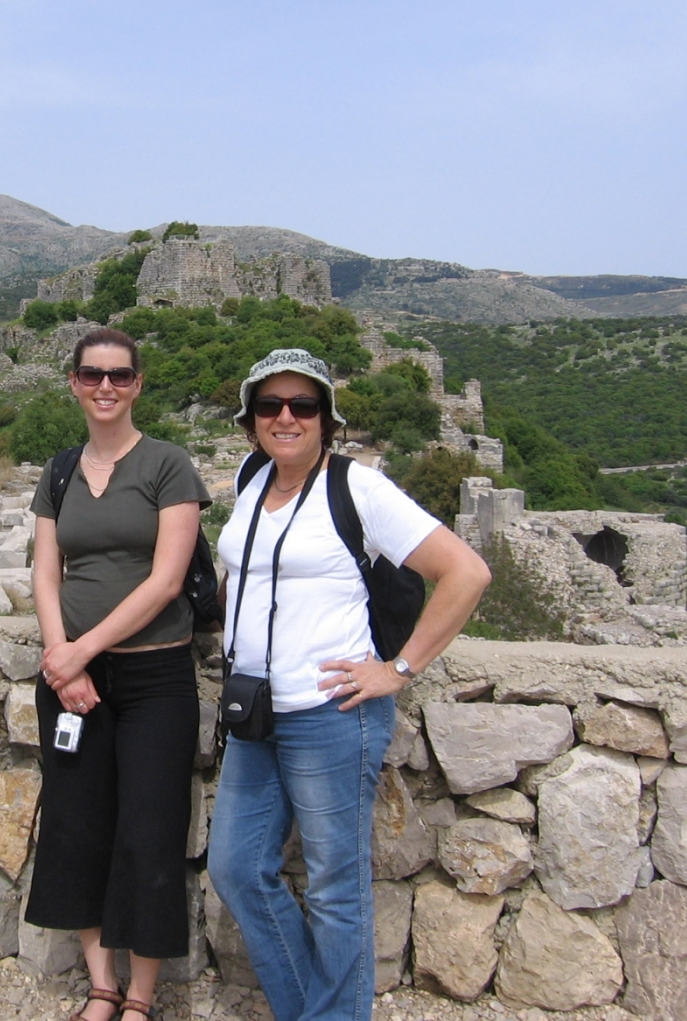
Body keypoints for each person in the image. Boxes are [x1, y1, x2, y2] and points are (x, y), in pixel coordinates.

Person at [207, 348, 491, 1021]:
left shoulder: (357, 488)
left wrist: (398, 669)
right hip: (256, 711)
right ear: (251, 419)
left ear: (326, 419)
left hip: (332, 715)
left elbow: (466, 573)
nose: (285, 418)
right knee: (237, 867)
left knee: (336, 890)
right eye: (270, 405)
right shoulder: (251, 477)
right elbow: (245, 573)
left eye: (302, 405)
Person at [26, 328, 211, 1021]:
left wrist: (82, 650)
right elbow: (46, 572)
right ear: (73, 383)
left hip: (155, 677)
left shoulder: (168, 464)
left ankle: (141, 997)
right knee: (76, 825)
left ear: (137, 384)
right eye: (92, 375)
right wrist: (61, 657)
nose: (106, 386)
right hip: (71, 679)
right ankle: (102, 986)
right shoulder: (59, 471)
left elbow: (166, 581)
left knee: (149, 830)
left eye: (120, 375)